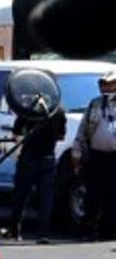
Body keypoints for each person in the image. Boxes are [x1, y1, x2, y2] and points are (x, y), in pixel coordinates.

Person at [10, 104, 66, 243]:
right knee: (46, 198)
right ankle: (43, 234)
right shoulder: (58, 110)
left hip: (28, 158)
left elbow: (16, 132)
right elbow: (61, 136)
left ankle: (15, 231)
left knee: (21, 195)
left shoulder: (28, 108)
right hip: (48, 158)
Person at [72, 71, 116, 238]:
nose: (107, 88)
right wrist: (77, 153)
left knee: (112, 195)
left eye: (110, 84)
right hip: (97, 156)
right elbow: (83, 130)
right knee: (93, 194)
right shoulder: (94, 104)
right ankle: (88, 229)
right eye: (104, 84)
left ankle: (108, 230)